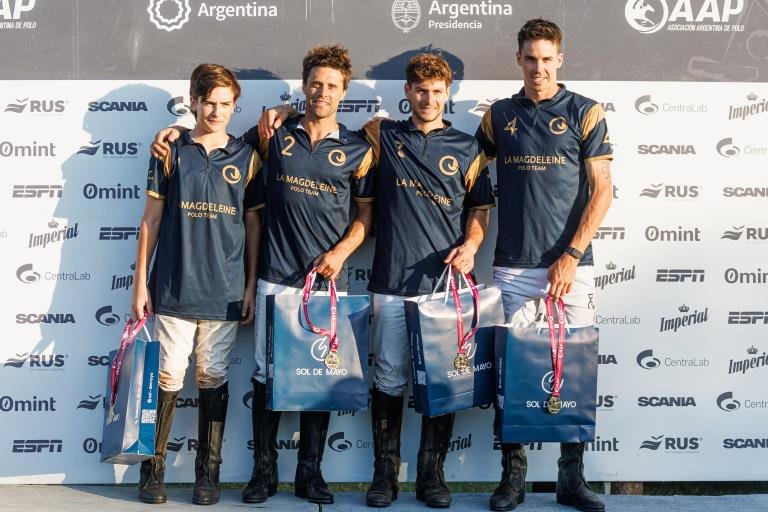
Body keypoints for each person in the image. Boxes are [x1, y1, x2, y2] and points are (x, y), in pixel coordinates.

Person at [260, 52, 495, 509]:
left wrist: (471, 246)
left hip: (443, 289)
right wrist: (284, 109)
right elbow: (312, 119)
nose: (428, 99)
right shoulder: (381, 136)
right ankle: (384, 477)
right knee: (387, 379)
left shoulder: (468, 148)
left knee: (442, 383)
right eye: (420, 91)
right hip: (389, 283)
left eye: (437, 92)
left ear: (447, 95)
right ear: (407, 93)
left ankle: (431, 478)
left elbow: (480, 211)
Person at [151, 44, 375, 506]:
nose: (323, 92)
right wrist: (175, 131)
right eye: (315, 83)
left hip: (325, 282)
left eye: (332, 86)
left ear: (344, 92)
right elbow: (215, 143)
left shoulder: (359, 148)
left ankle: (310, 473)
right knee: (266, 374)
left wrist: (341, 252)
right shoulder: (274, 133)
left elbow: (366, 215)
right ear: (304, 86)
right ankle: (263, 472)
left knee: (321, 377)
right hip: (273, 276)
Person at [475, 18, 613, 512]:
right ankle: (511, 480)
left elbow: (603, 191)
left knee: (574, 371)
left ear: (560, 59)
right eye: (530, 58)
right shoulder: (499, 115)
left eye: (547, 59)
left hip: (572, 268)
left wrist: (570, 256)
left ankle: (571, 480)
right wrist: (380, 131)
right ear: (518, 59)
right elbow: (459, 163)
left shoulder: (585, 112)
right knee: (513, 374)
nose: (539, 68)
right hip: (513, 268)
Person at [132, 63, 261, 505]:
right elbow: (150, 221)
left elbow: (253, 225)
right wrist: (139, 284)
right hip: (173, 287)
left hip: (225, 291)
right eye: (209, 102)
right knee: (168, 376)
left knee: (212, 376)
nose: (216, 111)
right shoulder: (170, 151)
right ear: (193, 102)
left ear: (235, 106)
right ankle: (152, 471)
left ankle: (208, 475)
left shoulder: (248, 156)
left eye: (225, 104)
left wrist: (249, 286)